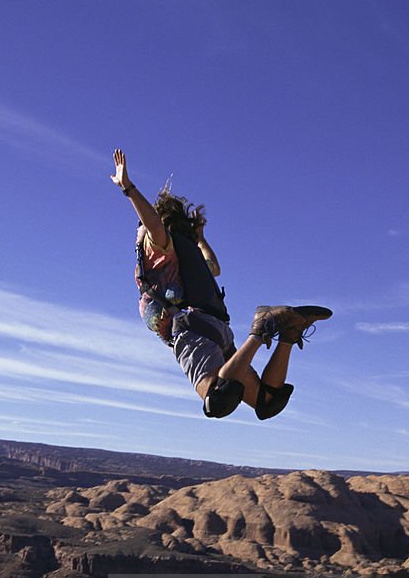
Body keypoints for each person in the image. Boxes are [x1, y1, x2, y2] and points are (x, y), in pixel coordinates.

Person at [111, 149, 332, 421]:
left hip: (189, 331)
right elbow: (214, 267)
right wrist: (199, 239)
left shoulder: (157, 248)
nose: (137, 229)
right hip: (217, 329)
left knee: (217, 400)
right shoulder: (187, 252)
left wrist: (128, 188)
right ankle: (289, 331)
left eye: (139, 225)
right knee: (266, 402)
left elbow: (154, 225)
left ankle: (261, 327)